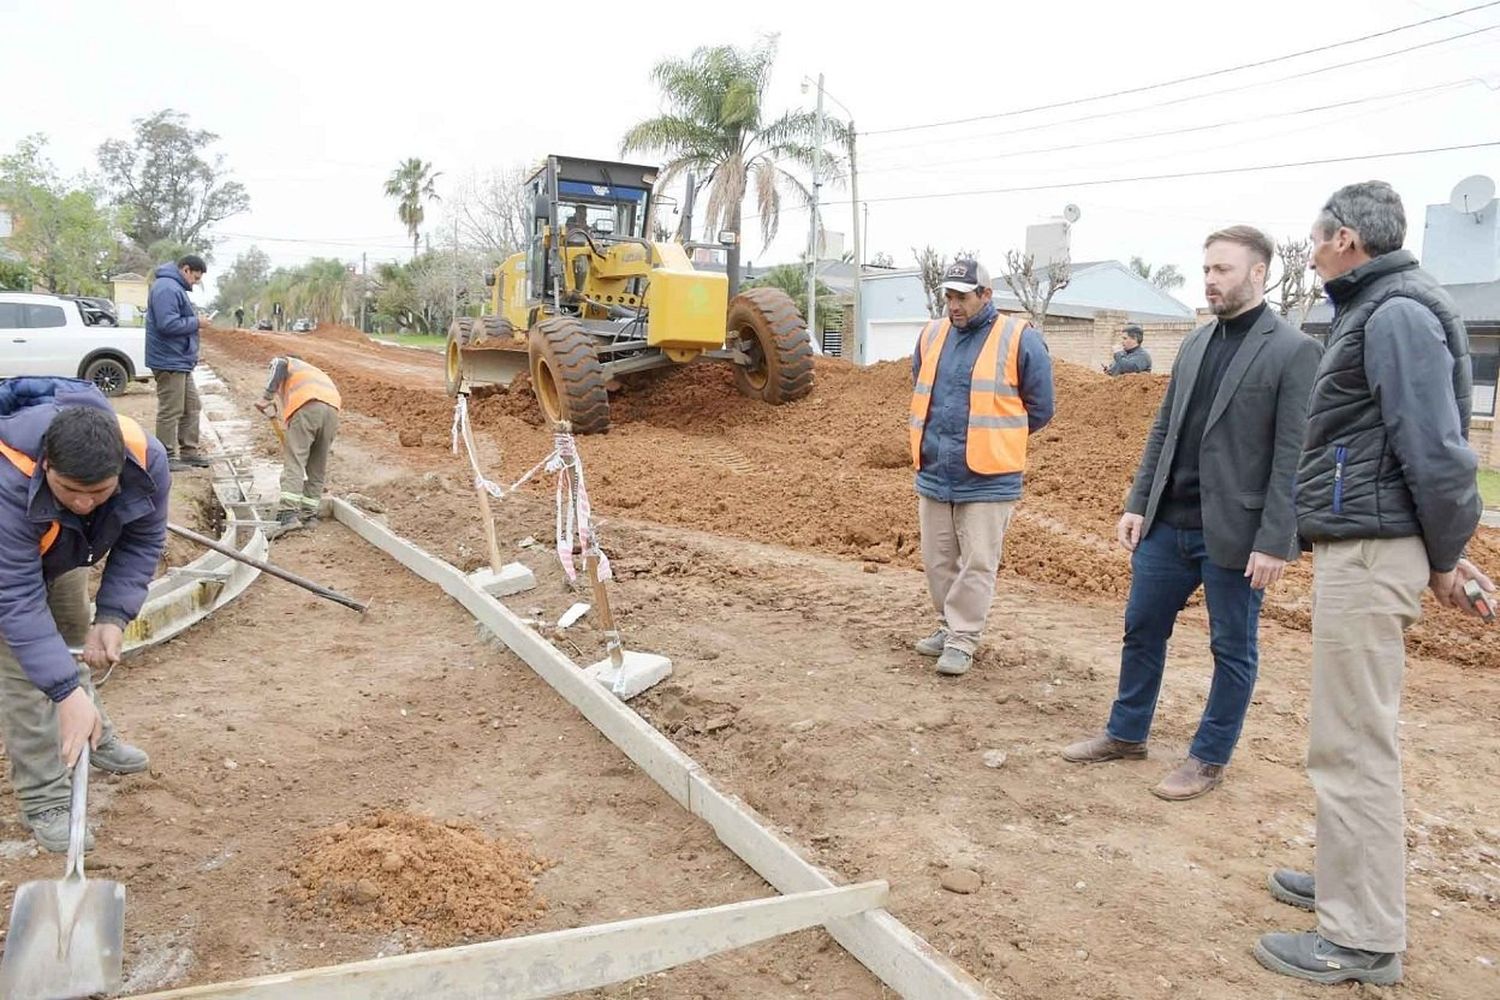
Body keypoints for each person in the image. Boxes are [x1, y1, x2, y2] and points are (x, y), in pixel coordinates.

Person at [1255, 181, 1494, 987]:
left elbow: (1439, 453)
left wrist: (1442, 557)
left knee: (1353, 744)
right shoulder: (1380, 305)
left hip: (1372, 551)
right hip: (1367, 545)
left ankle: (1361, 936)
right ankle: (1345, 881)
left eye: (1316, 238)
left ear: (1347, 239)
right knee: (1345, 733)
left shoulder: (1393, 313)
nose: (1311, 251)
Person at [1061, 226, 1322, 800]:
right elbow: (1164, 431)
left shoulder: (1293, 350)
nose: (1209, 279)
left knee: (1232, 648)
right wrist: (1138, 502)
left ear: (1258, 273)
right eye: (1206, 269)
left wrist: (1278, 539)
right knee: (1141, 629)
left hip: (1236, 533)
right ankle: (1127, 734)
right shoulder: (1195, 344)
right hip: (1168, 524)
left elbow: (1292, 455)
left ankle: (1209, 757)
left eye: (1222, 270)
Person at [0, 377, 165, 852]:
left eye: (100, 492)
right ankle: (44, 797)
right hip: (9, 554)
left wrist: (112, 615)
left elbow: (142, 539)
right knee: (25, 674)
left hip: (61, 544)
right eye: (71, 489)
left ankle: (93, 734)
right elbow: (15, 599)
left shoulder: (145, 457)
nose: (86, 501)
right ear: (46, 465)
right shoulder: (10, 476)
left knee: (74, 637)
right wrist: (61, 690)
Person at [909, 258, 1054, 677]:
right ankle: (946, 624)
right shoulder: (932, 336)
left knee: (977, 562)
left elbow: (1040, 408)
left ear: (985, 295)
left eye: (962, 297)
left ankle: (963, 638)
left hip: (989, 476)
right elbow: (923, 387)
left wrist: (996, 438)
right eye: (949, 297)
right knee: (938, 561)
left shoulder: (1018, 338)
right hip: (935, 470)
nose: (954, 305)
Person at [255, 356, 341, 534]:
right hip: (332, 411)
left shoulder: (286, 361)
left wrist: (267, 396)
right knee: (317, 467)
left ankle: (287, 515)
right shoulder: (312, 372)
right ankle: (309, 516)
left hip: (307, 406)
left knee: (294, 462)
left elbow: (278, 363)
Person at [146, 253, 209, 473]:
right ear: (185, 270)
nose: (196, 282)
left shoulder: (173, 288)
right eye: (196, 277)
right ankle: (166, 456)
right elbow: (167, 324)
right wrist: (196, 322)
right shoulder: (166, 288)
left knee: (192, 406)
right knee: (171, 409)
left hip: (179, 360)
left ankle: (189, 452)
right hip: (169, 360)